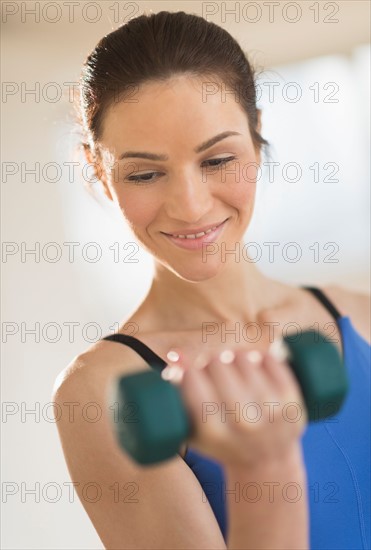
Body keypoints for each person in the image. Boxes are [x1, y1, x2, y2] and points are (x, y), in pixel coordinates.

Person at [53, 11, 370, 550]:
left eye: (218, 158)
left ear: (257, 135)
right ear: (96, 171)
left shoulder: (361, 315)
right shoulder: (103, 392)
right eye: (145, 173)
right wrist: (263, 472)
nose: (191, 206)